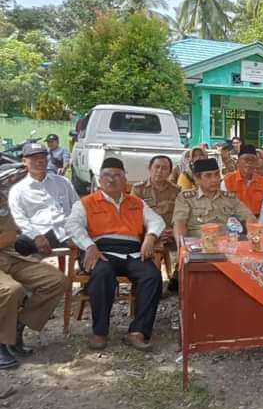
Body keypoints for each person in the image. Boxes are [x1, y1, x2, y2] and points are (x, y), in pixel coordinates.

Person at [66, 158, 165, 351]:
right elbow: (72, 225)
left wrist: (150, 237)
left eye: (117, 175)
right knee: (102, 274)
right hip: (101, 251)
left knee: (152, 276)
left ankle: (138, 331)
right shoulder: (86, 202)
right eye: (107, 175)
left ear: (125, 178)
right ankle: (100, 332)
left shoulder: (136, 202)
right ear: (99, 179)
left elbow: (157, 221)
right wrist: (89, 246)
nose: (112, 180)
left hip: (132, 253)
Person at [0, 204, 69, 370]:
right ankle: (1, 342)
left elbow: (10, 234)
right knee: (10, 290)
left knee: (56, 280)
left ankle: (17, 327)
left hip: (9, 255)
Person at [8, 142, 79, 255]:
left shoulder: (63, 182)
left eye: (42, 157)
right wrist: (36, 236)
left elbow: (77, 208)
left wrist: (76, 231)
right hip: (40, 233)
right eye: (34, 158)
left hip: (66, 232)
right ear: (24, 161)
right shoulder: (18, 191)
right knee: (20, 244)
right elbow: (20, 220)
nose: (40, 161)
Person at [173, 158, 256, 239]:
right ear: (197, 179)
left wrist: (252, 234)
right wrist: (182, 247)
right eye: (208, 176)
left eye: (217, 174)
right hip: (199, 245)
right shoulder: (186, 198)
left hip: (226, 244)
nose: (215, 179)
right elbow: (179, 223)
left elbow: (249, 217)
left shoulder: (229, 198)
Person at [132, 155, 180, 291]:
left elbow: (180, 215)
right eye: (156, 167)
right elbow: (133, 216)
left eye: (164, 168)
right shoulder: (138, 190)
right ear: (149, 168)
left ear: (170, 172)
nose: (160, 171)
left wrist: (173, 230)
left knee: (188, 244)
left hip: (169, 233)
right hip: (147, 235)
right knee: (152, 248)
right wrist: (152, 234)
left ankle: (177, 278)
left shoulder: (176, 191)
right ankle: (151, 286)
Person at [222, 144, 263, 226]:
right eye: (246, 159)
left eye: (252, 160)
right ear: (238, 162)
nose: (249, 163)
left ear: (256, 163)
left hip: (257, 222)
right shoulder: (227, 181)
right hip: (234, 223)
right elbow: (223, 208)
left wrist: (257, 226)